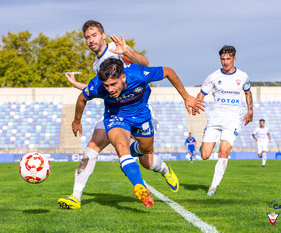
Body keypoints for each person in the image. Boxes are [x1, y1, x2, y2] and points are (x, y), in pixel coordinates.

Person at [70, 58, 203, 208]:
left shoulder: (139, 75)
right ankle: (139, 186)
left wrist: (186, 96)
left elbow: (169, 72)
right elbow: (82, 98)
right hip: (116, 117)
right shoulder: (98, 85)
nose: (110, 89)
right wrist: (76, 121)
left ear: (123, 77)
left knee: (147, 157)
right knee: (120, 145)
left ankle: (165, 169)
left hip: (141, 118)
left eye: (113, 84)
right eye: (106, 86)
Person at [58, 20, 154, 210]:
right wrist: (78, 85)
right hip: (114, 112)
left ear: (103, 35)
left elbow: (145, 64)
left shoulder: (115, 49)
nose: (90, 40)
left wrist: (127, 52)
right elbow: (99, 89)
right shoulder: (97, 65)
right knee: (92, 146)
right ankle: (75, 197)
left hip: (137, 108)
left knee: (147, 160)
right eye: (87, 37)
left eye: (94, 35)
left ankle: (164, 169)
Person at [197, 45, 253, 196]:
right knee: (205, 155)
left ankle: (213, 187)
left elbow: (248, 93)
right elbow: (201, 94)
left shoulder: (243, 76)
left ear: (234, 59)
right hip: (215, 119)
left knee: (223, 151)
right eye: (223, 59)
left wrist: (250, 111)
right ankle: (204, 141)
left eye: (228, 59)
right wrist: (197, 103)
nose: (225, 62)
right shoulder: (213, 76)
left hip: (232, 120)